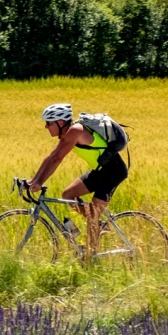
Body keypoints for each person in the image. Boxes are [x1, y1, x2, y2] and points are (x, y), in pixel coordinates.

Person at [29, 103, 128, 256]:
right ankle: (98, 225)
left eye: (48, 123)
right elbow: (50, 157)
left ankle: (89, 260)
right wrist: (33, 181)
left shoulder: (76, 131)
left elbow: (57, 159)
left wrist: (39, 182)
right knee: (68, 195)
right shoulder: (67, 134)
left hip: (113, 171)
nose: (46, 127)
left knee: (93, 215)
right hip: (100, 171)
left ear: (60, 123)